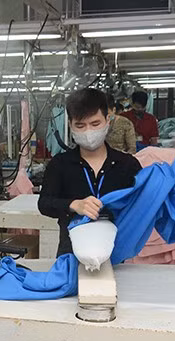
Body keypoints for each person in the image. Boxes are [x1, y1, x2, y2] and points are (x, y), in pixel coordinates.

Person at [38, 88, 142, 256]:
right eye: (80, 125)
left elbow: (141, 204)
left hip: (116, 252)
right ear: (70, 124)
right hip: (70, 252)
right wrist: (73, 205)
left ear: (108, 120)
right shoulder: (60, 164)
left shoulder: (127, 165)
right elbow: (44, 204)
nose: (88, 132)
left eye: (95, 124)